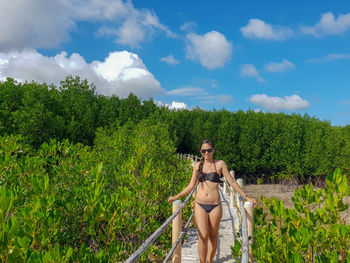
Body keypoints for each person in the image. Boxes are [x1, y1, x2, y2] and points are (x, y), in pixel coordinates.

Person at [168, 140, 256, 263]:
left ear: (213, 150)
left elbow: (232, 182)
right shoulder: (197, 166)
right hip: (200, 205)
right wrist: (176, 197)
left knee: (213, 236)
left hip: (216, 206)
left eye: (209, 150)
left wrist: (246, 197)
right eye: (204, 151)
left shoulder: (220, 164)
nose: (206, 153)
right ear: (200, 152)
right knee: (202, 236)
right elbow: (190, 186)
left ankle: (209, 261)